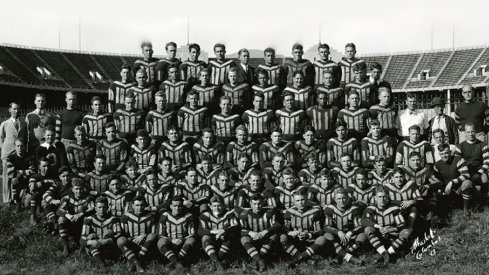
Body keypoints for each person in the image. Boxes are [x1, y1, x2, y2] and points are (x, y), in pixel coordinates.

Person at [362, 186, 409, 266]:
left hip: (392, 235)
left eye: (384, 197)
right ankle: (384, 254)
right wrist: (378, 227)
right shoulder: (371, 208)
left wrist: (390, 229)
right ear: (375, 198)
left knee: (406, 232)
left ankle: (388, 253)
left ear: (387, 197)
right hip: (378, 235)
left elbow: (402, 225)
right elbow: (363, 221)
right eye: (379, 197)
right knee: (367, 229)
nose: (382, 199)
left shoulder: (394, 208)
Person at [281, 190, 326, 269]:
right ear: (294, 202)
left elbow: (320, 231)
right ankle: (307, 259)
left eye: (302, 200)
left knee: (322, 239)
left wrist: (308, 235)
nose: (300, 203)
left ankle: (296, 261)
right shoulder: (289, 212)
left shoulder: (315, 212)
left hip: (310, 241)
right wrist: (289, 232)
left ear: (307, 200)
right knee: (283, 237)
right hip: (296, 241)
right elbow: (284, 228)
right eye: (297, 200)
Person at [239, 193, 282, 271]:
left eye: (259, 203)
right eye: (254, 204)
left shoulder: (269, 212)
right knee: (244, 239)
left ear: (263, 203)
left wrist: (265, 231)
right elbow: (240, 230)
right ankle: (260, 261)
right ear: (250, 204)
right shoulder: (245, 214)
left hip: (265, 239)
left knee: (274, 236)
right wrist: (250, 233)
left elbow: (278, 225)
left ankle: (256, 260)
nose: (257, 206)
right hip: (253, 239)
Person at [323, 188, 365, 266]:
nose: (342, 201)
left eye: (344, 198)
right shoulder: (330, 209)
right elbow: (326, 227)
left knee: (362, 235)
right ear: (335, 199)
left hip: (350, 238)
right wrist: (338, 232)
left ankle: (339, 257)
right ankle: (350, 258)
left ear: (348, 198)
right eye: (339, 198)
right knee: (327, 235)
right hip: (336, 237)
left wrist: (350, 232)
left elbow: (360, 226)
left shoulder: (354, 209)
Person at [118, 196, 158, 272]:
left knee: (152, 236)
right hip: (132, 242)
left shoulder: (152, 215)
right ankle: (137, 262)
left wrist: (144, 235)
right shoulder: (126, 216)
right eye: (137, 205)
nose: (139, 207)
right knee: (120, 240)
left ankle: (136, 260)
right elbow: (125, 234)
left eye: (142, 205)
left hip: (146, 244)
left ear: (145, 205)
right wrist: (131, 239)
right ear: (132, 205)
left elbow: (154, 233)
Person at [80, 196, 122, 268]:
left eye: (104, 207)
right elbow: (82, 238)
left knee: (108, 232)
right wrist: (91, 242)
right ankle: (101, 264)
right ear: (95, 208)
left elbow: (119, 234)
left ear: (107, 207)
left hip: (108, 246)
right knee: (91, 236)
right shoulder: (89, 220)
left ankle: (103, 259)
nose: (102, 209)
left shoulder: (113, 219)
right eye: (99, 207)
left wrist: (107, 241)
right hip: (94, 247)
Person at [56, 178, 94, 256]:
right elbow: (59, 210)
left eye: (80, 189)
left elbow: (92, 210)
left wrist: (80, 214)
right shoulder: (67, 198)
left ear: (84, 188)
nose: (79, 191)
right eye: (76, 189)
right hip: (71, 223)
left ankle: (82, 248)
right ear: (72, 189)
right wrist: (69, 216)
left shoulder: (88, 198)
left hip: (83, 224)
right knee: (61, 219)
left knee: (88, 219)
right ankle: (66, 246)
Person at [198, 197, 240, 268]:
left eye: (219, 206)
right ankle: (217, 262)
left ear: (223, 206)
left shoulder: (229, 214)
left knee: (230, 236)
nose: (217, 208)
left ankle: (217, 261)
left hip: (224, 240)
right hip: (211, 240)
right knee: (205, 237)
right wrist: (214, 232)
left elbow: (236, 226)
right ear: (210, 207)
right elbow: (200, 231)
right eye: (214, 206)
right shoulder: (205, 215)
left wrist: (223, 231)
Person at [157, 196, 197, 268]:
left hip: (183, 244)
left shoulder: (188, 216)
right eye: (175, 206)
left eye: (179, 206)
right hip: (170, 243)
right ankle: (177, 262)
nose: (177, 208)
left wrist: (182, 240)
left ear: (182, 206)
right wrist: (172, 240)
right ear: (171, 206)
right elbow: (160, 234)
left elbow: (192, 234)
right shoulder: (165, 215)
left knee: (192, 240)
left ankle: (176, 260)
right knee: (161, 241)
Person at [455, 122, 489, 208]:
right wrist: (465, 175)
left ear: (476, 132)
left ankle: (484, 202)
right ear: (465, 133)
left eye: (472, 131)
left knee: (485, 179)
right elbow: (457, 163)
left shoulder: (483, 145)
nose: (470, 134)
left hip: (479, 171)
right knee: (466, 184)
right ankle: (467, 202)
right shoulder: (460, 147)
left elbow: (487, 162)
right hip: (465, 172)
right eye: (468, 132)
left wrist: (478, 174)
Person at [434, 144, 473, 218]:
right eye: (441, 154)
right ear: (439, 154)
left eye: (446, 153)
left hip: (459, 189)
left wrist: (452, 182)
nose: (444, 156)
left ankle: (466, 208)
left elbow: (466, 175)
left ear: (450, 152)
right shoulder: (437, 165)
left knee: (467, 183)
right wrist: (440, 189)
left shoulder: (458, 159)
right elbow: (436, 180)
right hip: (447, 191)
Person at [1, 102, 28, 203]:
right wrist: (4, 151)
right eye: (15, 109)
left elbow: (25, 139)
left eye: (18, 109)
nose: (17, 111)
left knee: (17, 176)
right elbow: (1, 138)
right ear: (10, 110)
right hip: (7, 154)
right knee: (6, 178)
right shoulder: (5, 124)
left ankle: (16, 200)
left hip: (19, 154)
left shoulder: (24, 123)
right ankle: (7, 200)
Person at [6, 139, 36, 208]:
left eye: (22, 146)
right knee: (14, 179)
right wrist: (24, 172)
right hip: (17, 181)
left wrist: (18, 171)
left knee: (26, 205)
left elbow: (32, 171)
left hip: (28, 181)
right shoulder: (10, 158)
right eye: (18, 146)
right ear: (15, 147)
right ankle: (16, 202)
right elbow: (11, 173)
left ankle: (25, 198)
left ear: (25, 147)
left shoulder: (30, 156)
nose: (20, 148)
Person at [28, 158, 54, 225]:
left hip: (49, 199)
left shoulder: (53, 175)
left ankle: (50, 218)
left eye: (48, 166)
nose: (47, 168)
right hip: (38, 199)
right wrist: (44, 181)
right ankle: (33, 216)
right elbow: (31, 188)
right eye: (44, 166)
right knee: (35, 194)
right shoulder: (35, 176)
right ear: (39, 167)